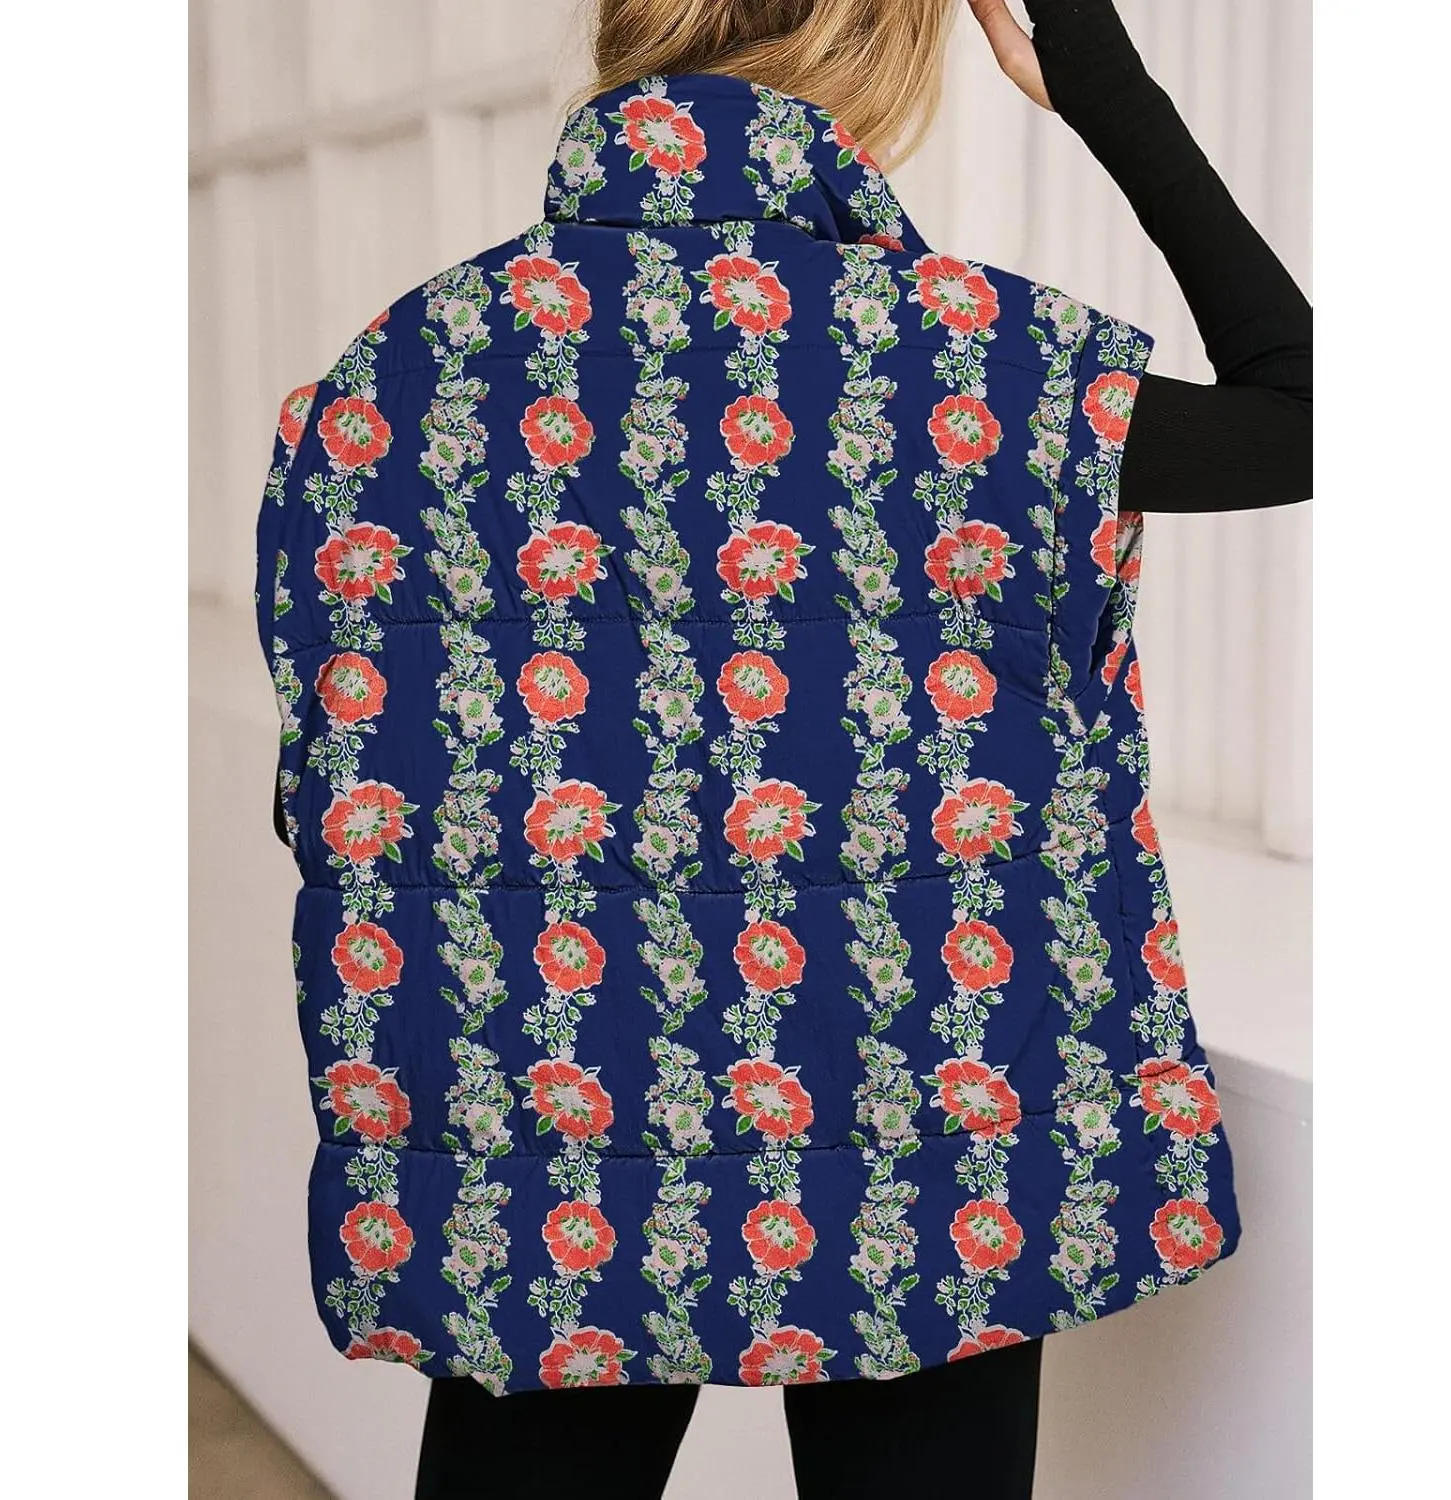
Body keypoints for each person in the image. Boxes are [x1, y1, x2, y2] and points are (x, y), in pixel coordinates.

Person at [254, 1, 1311, 1496]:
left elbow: (337, 781)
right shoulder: (988, 366)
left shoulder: (387, 380)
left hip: (538, 1147)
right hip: (926, 1138)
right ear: (885, 47)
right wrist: (1104, 84)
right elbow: (1310, 411)